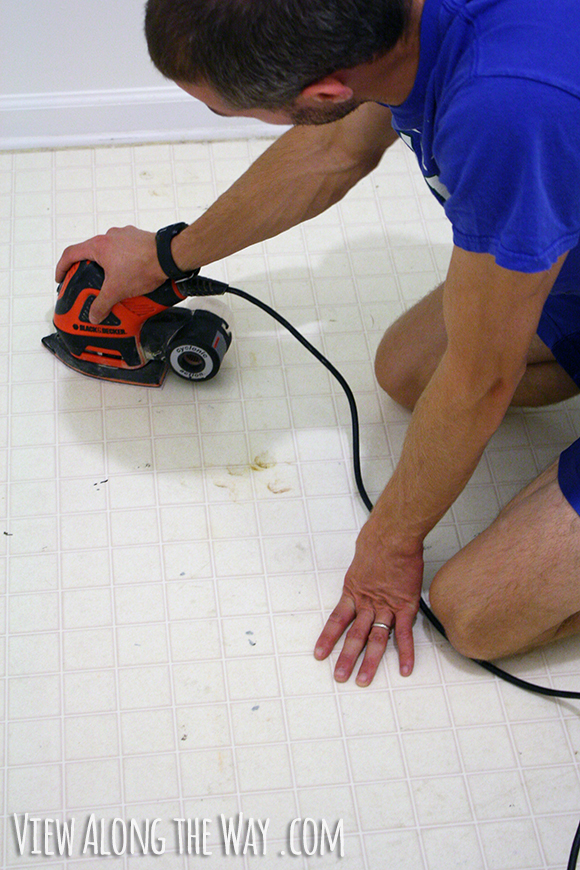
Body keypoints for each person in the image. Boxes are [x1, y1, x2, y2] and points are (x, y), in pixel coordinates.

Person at [56, 0, 580, 687]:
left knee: (475, 613)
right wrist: (166, 256)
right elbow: (333, 149)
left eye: (233, 113)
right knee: (408, 370)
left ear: (325, 93)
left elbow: (483, 380)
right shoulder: (399, 28)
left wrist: (389, 542)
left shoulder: (504, 112)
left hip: (532, 123)